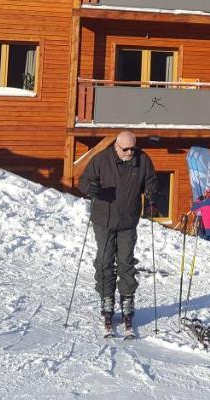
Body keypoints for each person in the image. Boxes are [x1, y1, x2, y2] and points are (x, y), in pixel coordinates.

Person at [78, 131, 159, 335]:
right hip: (104, 219)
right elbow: (83, 181)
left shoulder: (142, 159)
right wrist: (92, 188)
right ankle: (106, 297)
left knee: (126, 261)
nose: (130, 152)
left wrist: (150, 192)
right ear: (116, 146)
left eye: (133, 148)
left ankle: (127, 299)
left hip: (128, 220)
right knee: (104, 260)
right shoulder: (101, 159)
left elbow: (151, 180)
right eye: (126, 149)